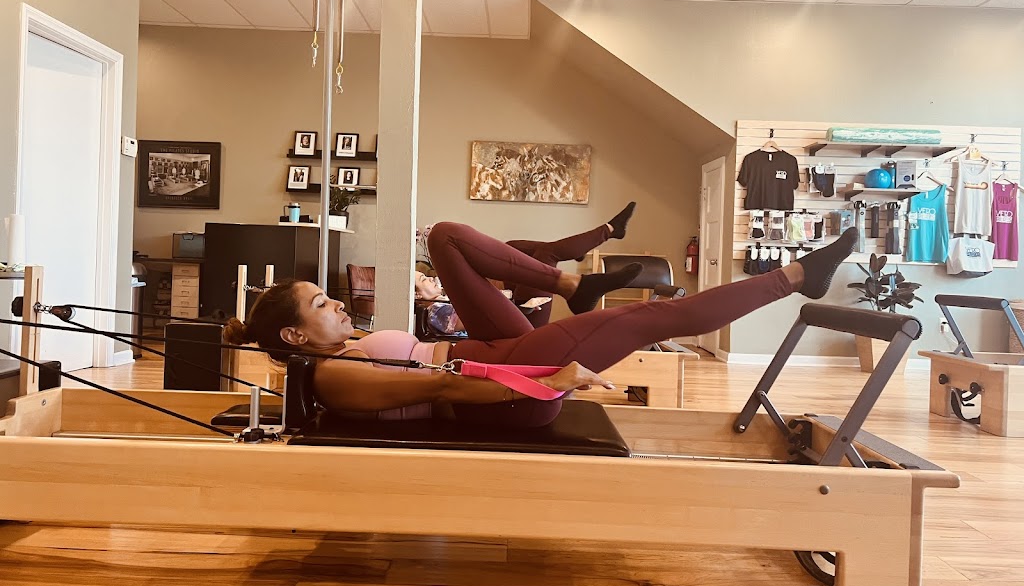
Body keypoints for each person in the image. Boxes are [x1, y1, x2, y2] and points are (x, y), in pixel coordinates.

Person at [224, 222, 859, 428]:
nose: (337, 305)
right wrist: (547, 381)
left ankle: (574, 285)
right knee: (651, 317)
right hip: (506, 381)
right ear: (295, 337)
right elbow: (443, 384)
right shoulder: (335, 375)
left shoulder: (344, 349)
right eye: (321, 305)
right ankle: (796, 277)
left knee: (445, 239)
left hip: (487, 350)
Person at [416, 202, 639, 328]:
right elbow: (477, 320)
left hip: (518, 310)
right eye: (424, 280)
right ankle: (599, 239)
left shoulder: (441, 297)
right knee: (547, 254)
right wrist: (521, 307)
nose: (432, 279)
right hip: (523, 324)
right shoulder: (435, 312)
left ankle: (583, 249)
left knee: (514, 247)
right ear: (416, 296)